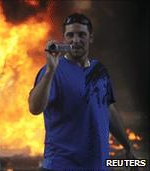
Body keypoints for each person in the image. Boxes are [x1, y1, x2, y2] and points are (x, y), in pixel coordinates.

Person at [28, 13, 135, 170]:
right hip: (61, 166)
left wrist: (128, 147)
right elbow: (34, 108)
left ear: (90, 38)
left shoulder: (99, 70)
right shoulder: (52, 71)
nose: (76, 40)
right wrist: (51, 70)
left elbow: (108, 110)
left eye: (81, 35)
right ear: (64, 39)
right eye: (70, 35)